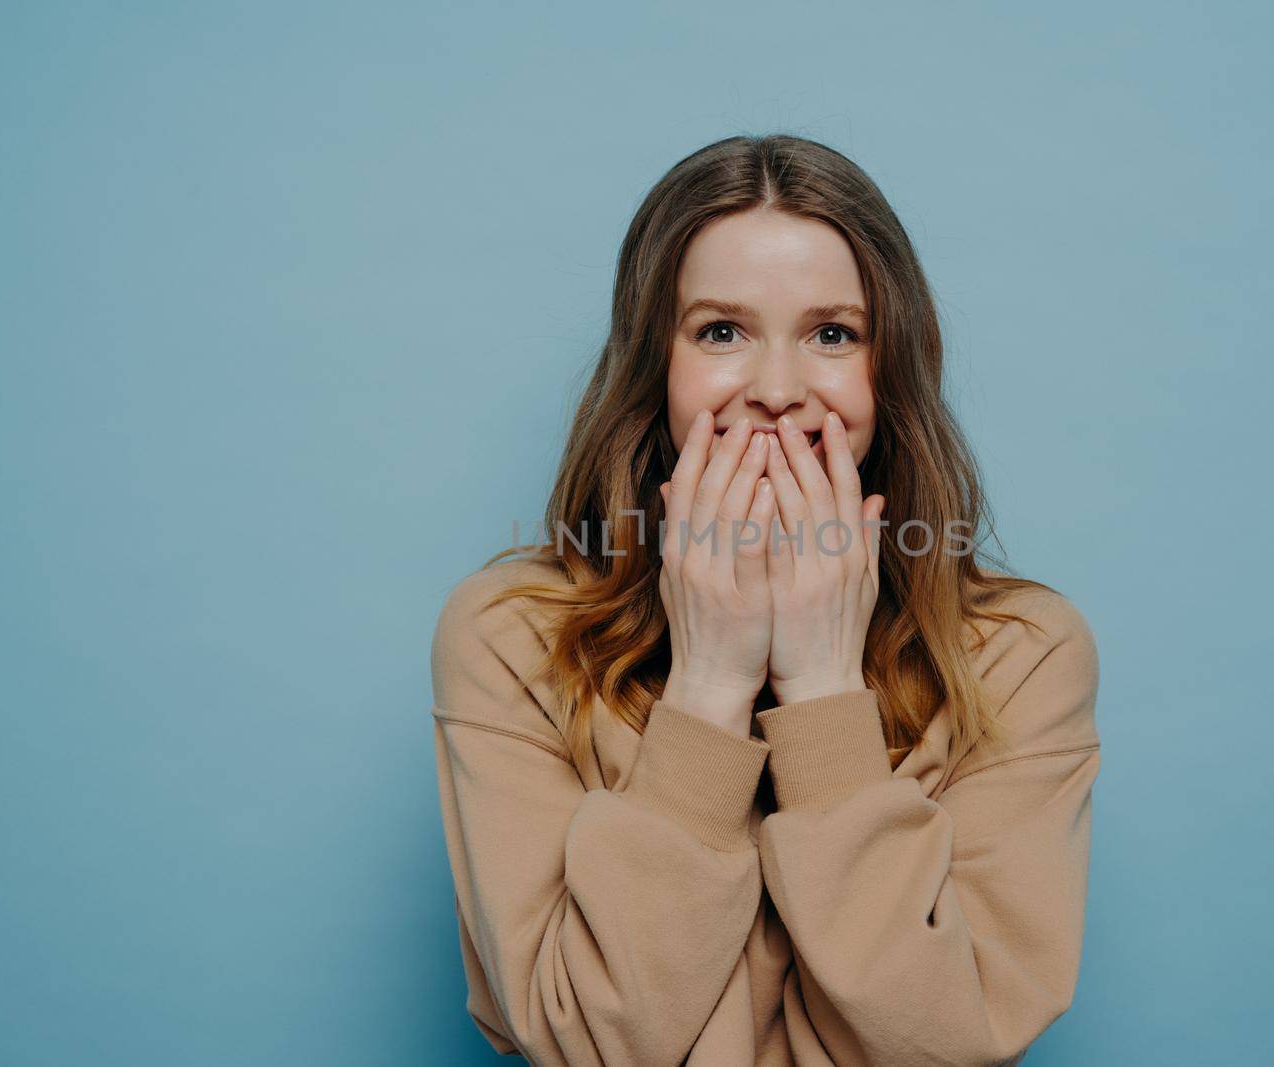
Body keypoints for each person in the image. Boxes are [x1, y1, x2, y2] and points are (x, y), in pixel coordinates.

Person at [428, 133, 1102, 1066]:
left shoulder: (1023, 651)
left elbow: (951, 1040)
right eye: (720, 331)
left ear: (890, 366)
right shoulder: (510, 635)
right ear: (652, 367)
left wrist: (824, 688)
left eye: (834, 334)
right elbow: (585, 1040)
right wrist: (709, 682)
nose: (778, 392)